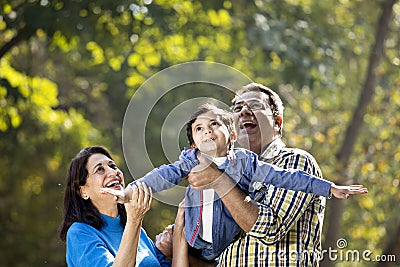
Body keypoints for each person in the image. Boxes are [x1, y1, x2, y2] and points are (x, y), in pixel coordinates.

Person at [103, 103, 367, 262]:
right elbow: (161, 176)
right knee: (162, 251)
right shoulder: (189, 161)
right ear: (193, 142)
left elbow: (287, 178)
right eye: (199, 128)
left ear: (230, 134)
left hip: (224, 249)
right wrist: (129, 192)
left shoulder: (245, 163)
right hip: (194, 244)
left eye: (214, 124)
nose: (207, 130)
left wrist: (329, 188)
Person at [185, 82, 358, 266]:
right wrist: (179, 235)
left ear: (277, 123)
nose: (243, 111)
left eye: (256, 106)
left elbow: (270, 230)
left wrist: (219, 181)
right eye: (237, 108)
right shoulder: (225, 172)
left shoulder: (296, 162)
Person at [59, 146, 176, 267]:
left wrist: (178, 238)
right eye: (99, 169)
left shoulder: (135, 230)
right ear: (82, 191)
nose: (113, 172)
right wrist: (134, 220)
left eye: (113, 166)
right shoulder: (79, 233)